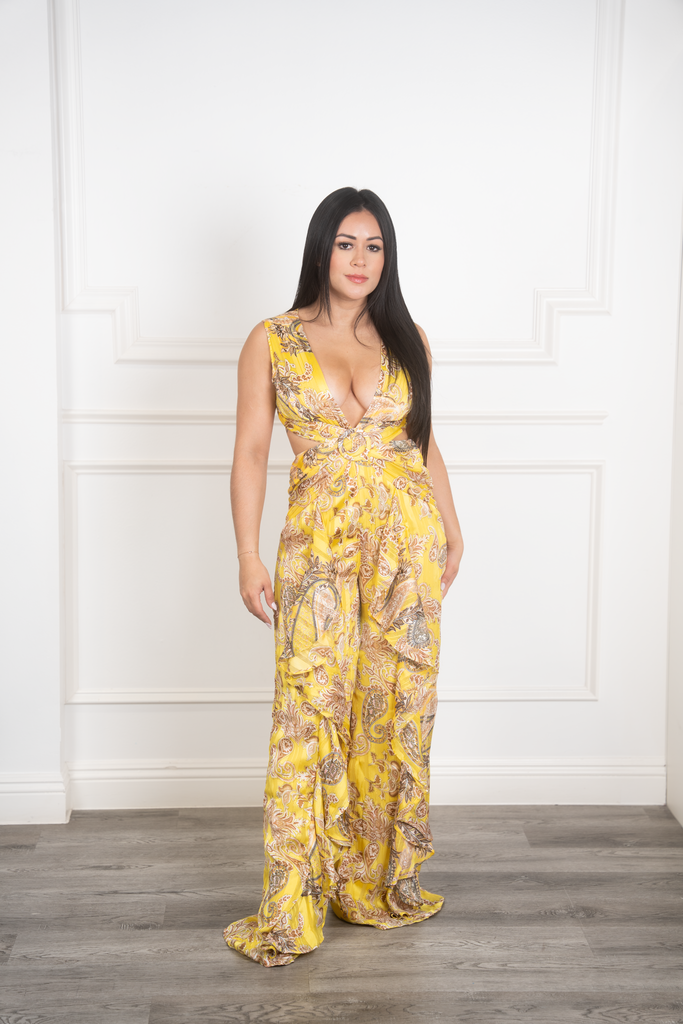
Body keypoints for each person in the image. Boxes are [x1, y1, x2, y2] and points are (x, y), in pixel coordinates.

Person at [223, 187, 464, 967]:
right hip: (317, 551)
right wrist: (248, 554)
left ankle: (370, 880)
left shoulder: (407, 338)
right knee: (309, 711)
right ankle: (293, 902)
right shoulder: (273, 339)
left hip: (406, 548)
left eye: (375, 246)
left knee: (393, 707)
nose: (361, 260)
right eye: (346, 244)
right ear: (320, 249)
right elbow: (251, 451)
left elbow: (422, 444)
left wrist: (452, 528)